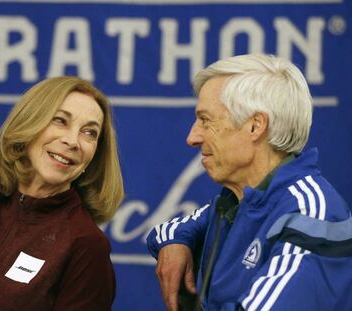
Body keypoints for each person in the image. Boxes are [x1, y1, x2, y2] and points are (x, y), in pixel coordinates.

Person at [147, 54, 352, 311]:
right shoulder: (235, 200)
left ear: (255, 126)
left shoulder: (311, 215)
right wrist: (174, 244)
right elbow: (174, 228)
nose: (192, 137)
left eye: (205, 120)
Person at [0, 76, 124, 310]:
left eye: (90, 133)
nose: (72, 141)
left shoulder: (86, 244)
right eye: (60, 120)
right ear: (28, 125)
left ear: (93, 156)